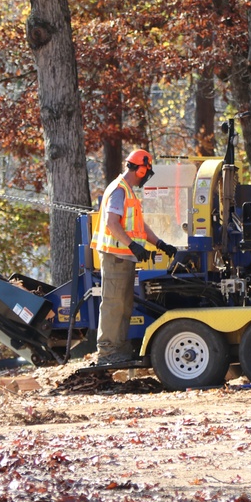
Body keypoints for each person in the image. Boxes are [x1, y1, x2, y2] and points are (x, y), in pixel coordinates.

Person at [90, 149, 177, 365]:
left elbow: (139, 226)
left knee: (124, 305)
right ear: (140, 168)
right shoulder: (120, 190)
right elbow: (112, 223)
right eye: (147, 171)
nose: (147, 176)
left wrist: (160, 244)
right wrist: (134, 246)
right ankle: (108, 352)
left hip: (124, 257)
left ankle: (118, 350)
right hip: (115, 256)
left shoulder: (128, 191)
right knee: (113, 304)